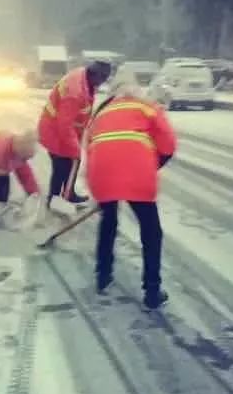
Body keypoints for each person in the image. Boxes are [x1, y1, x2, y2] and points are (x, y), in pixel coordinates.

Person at [86, 81, 177, 310]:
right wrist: (150, 166)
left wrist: (105, 184)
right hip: (137, 172)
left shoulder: (102, 112)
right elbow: (168, 144)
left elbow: (91, 146)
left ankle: (102, 274)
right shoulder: (147, 107)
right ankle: (152, 291)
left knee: (108, 221)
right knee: (150, 231)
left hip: (101, 172)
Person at [38, 61, 112, 214]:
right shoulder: (75, 92)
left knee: (67, 163)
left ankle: (66, 194)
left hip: (62, 130)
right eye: (102, 80)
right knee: (63, 165)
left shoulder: (84, 77)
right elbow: (64, 125)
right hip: (55, 132)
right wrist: (74, 148)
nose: (101, 84)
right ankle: (55, 199)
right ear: (95, 75)